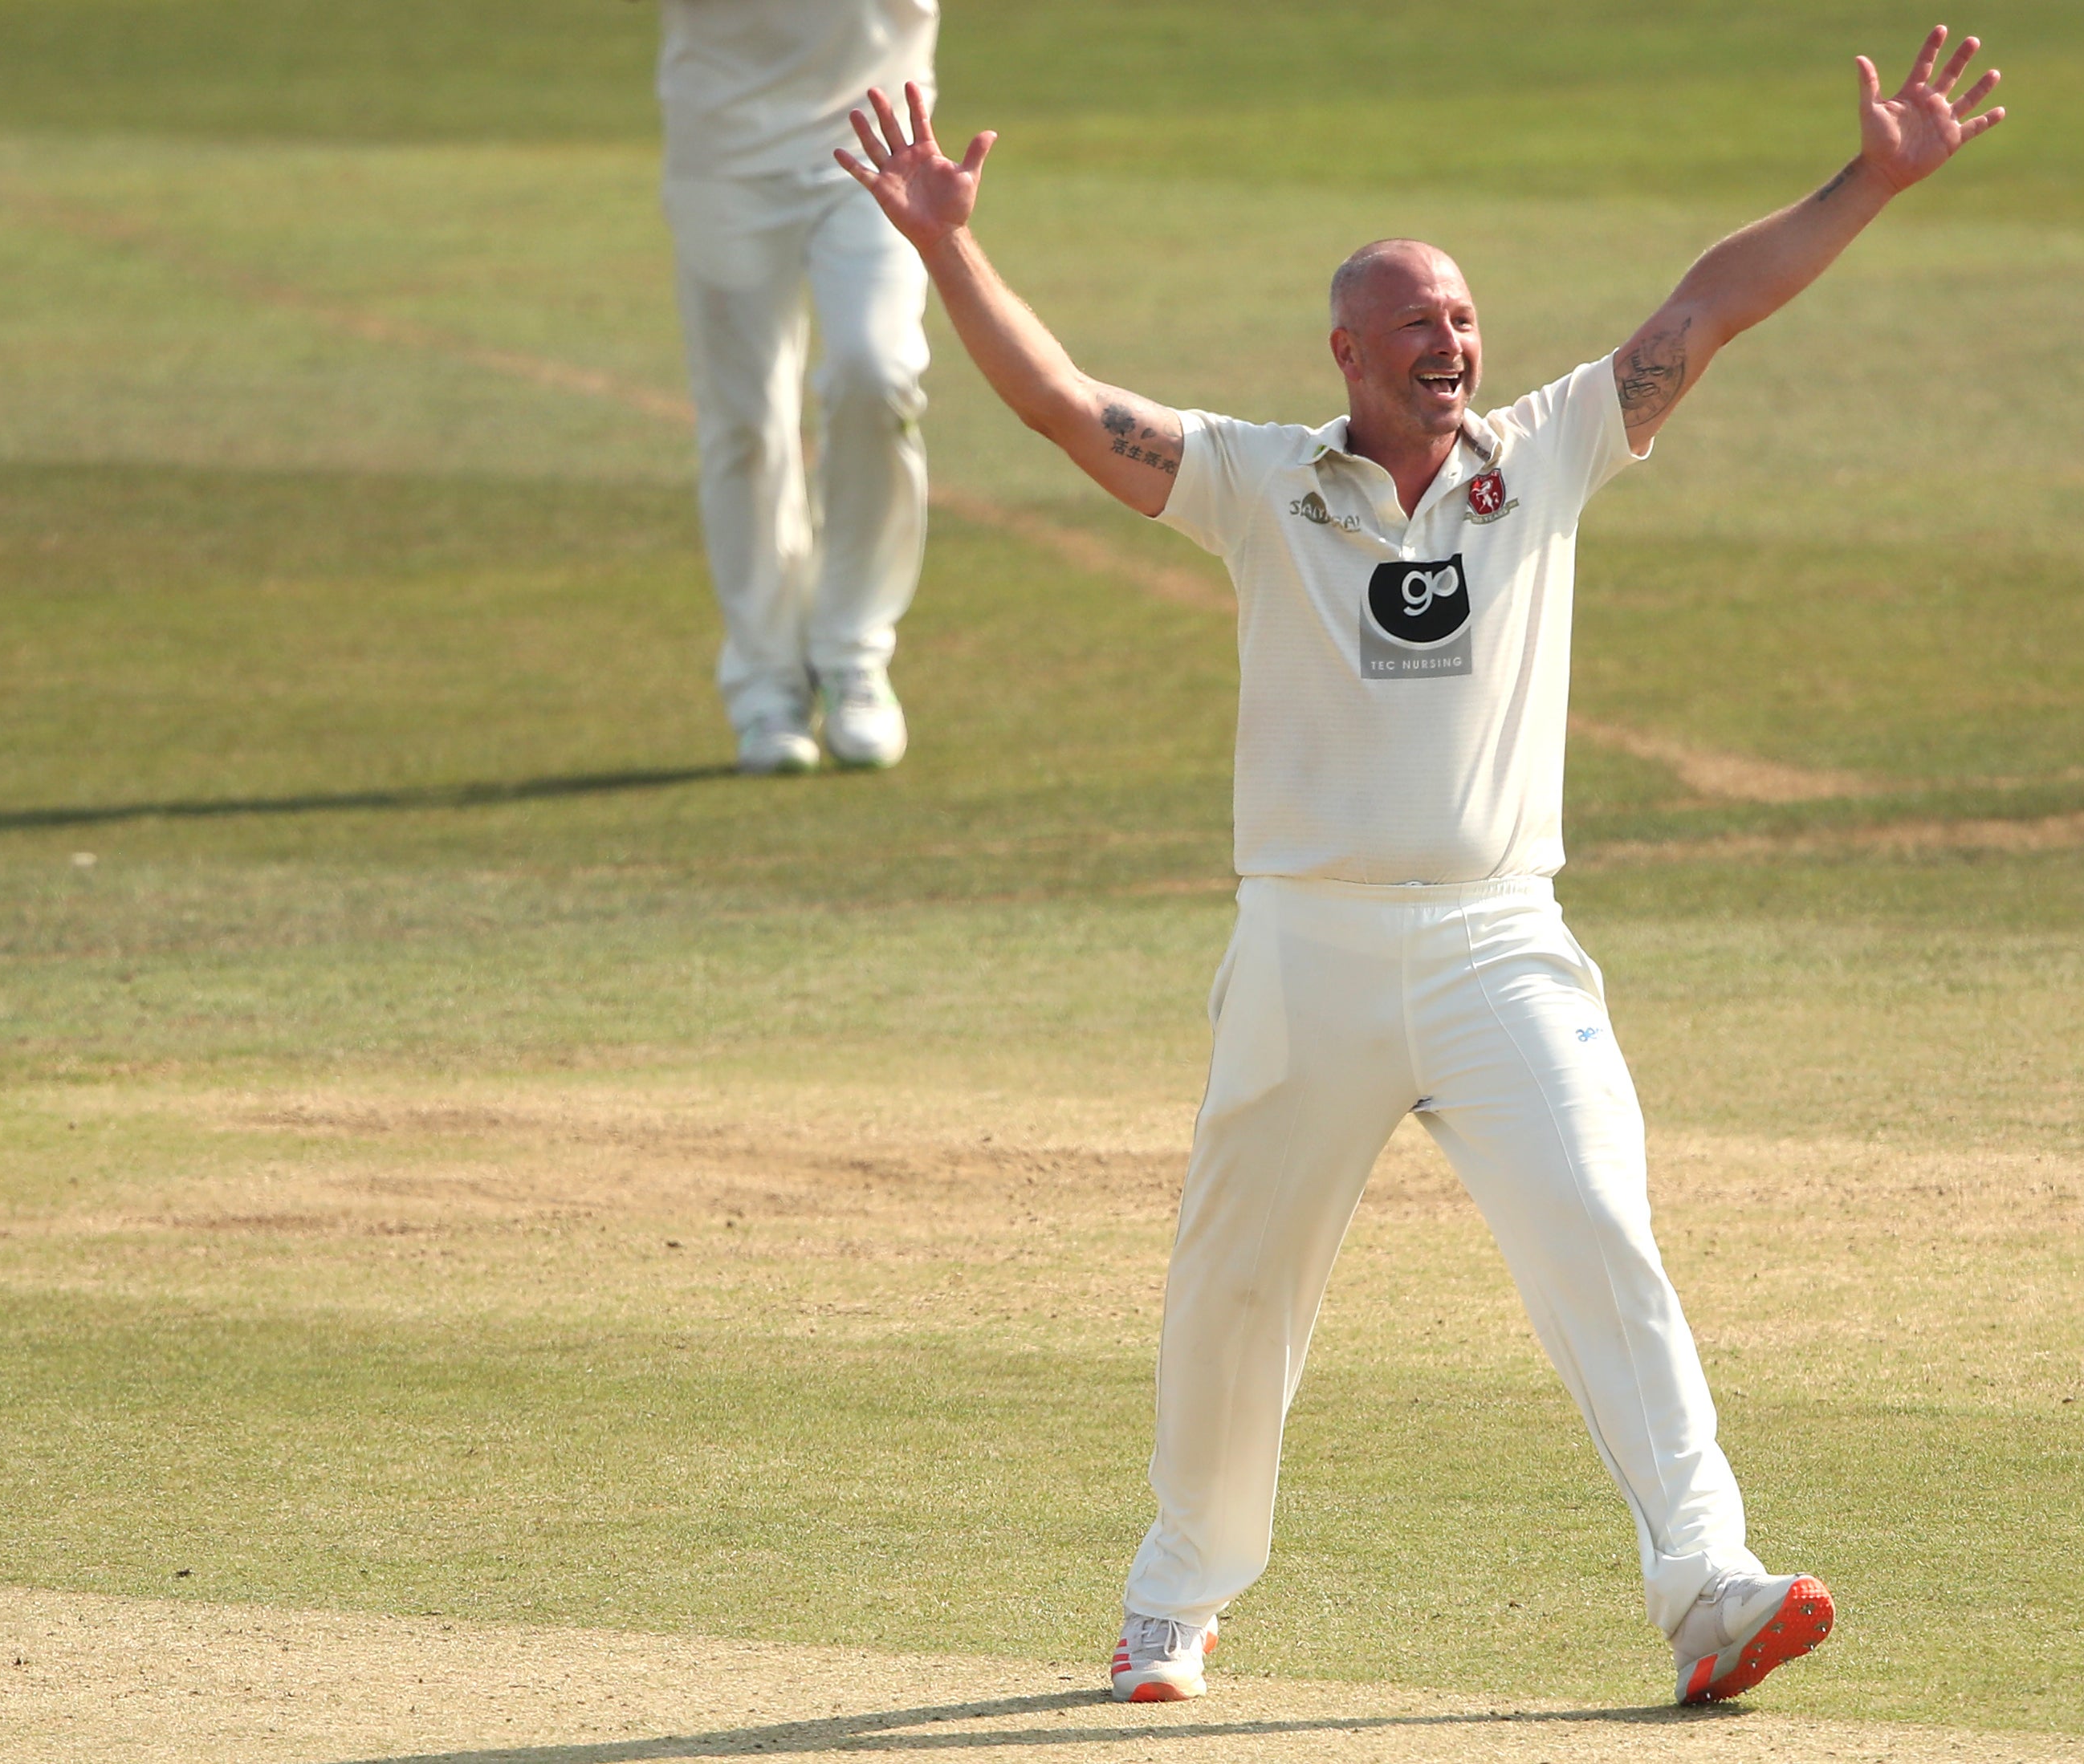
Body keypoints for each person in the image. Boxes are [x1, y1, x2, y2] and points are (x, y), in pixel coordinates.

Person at [834, 26, 2005, 1704]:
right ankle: (1175, 1604)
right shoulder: (1254, 479)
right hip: (1305, 945)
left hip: (1497, 940)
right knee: (1236, 1286)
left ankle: (1709, 1587)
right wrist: (948, 238)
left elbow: (1707, 308)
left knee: (1603, 1230)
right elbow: (1060, 405)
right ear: (1348, 351)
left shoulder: (1547, 454)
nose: (1451, 342)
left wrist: (1869, 183)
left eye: (1462, 318)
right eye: (1416, 324)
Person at [657, 0, 939, 774]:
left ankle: (853, 654)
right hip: (725, 153)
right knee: (744, 422)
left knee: (874, 371)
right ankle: (766, 685)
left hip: (876, 138)